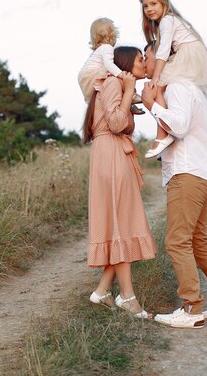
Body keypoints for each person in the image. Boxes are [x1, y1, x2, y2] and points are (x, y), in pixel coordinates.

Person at [141, 42, 207, 329]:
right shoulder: (187, 87)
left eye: (147, 55)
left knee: (177, 240)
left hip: (189, 173)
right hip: (203, 172)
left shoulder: (179, 86)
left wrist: (151, 105)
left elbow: (179, 125)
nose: (145, 60)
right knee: (198, 240)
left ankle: (191, 309)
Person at [83, 46, 157, 318]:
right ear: (126, 62)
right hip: (111, 155)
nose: (143, 63)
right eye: (140, 58)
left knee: (120, 223)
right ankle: (127, 297)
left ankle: (102, 292)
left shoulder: (115, 85)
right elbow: (115, 123)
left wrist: (132, 98)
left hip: (113, 154)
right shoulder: (114, 83)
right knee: (121, 225)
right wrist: (127, 93)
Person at [139, 0, 207, 159]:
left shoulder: (168, 20)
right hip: (190, 54)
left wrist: (156, 77)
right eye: (145, 6)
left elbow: (163, 51)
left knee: (159, 84)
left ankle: (163, 135)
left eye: (154, 4)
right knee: (161, 87)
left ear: (164, 3)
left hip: (188, 55)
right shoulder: (167, 21)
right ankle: (164, 134)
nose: (149, 9)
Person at [78, 17, 144, 114]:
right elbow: (109, 64)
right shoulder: (107, 47)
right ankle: (132, 97)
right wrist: (122, 75)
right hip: (92, 74)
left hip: (85, 77)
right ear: (112, 35)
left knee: (111, 94)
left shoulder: (98, 50)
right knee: (116, 78)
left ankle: (129, 105)